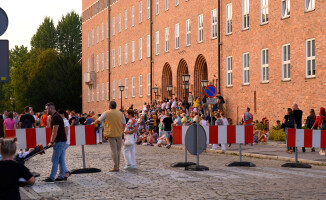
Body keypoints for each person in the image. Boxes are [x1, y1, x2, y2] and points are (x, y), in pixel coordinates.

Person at [93, 101, 125, 172]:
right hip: (119, 133)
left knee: (113, 150)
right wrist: (122, 131)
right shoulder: (120, 114)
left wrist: (93, 123)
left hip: (111, 134)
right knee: (118, 151)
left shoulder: (106, 113)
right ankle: (118, 166)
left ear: (109, 106)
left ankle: (115, 167)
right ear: (116, 106)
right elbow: (124, 124)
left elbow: (99, 120)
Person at [43, 103, 67, 183]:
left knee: (55, 159)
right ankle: (61, 176)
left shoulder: (55, 117)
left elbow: (54, 131)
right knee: (61, 159)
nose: (45, 110)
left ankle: (52, 177)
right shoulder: (56, 116)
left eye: (46, 109)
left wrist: (51, 141)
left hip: (59, 141)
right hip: (62, 140)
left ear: (50, 109)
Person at [58, 109, 71, 180]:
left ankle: (66, 172)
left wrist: (62, 141)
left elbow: (66, 133)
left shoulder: (65, 122)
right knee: (61, 158)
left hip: (64, 142)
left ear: (62, 114)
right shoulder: (64, 121)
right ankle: (65, 172)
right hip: (65, 142)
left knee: (61, 158)